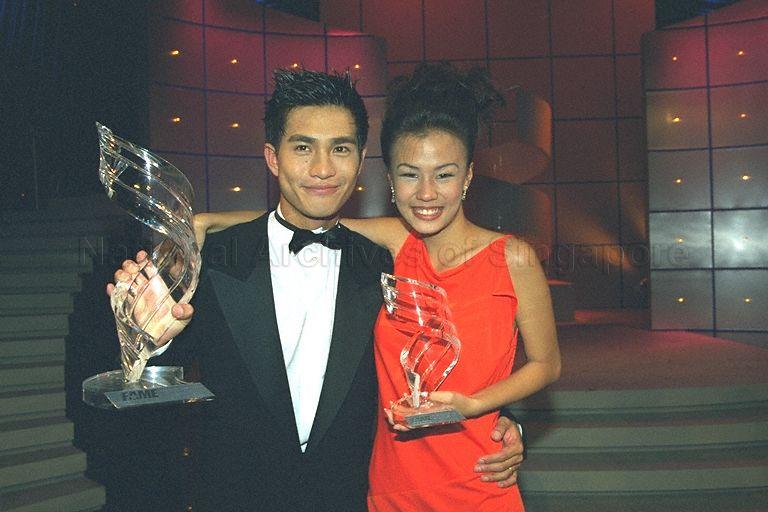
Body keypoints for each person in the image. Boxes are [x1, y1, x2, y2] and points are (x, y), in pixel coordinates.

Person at [109, 68, 524, 512]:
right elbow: (148, 381)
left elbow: (450, 355)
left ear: (361, 158)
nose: (323, 169)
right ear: (273, 158)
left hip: (345, 498)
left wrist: (504, 422)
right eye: (303, 147)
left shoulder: (386, 262)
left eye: (340, 149)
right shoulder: (211, 256)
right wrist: (144, 336)